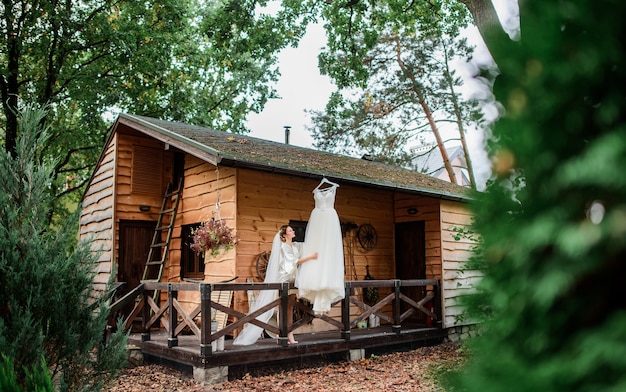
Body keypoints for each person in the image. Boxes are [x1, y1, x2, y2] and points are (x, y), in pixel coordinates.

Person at [233, 225, 317, 345]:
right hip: (284, 280)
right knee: (282, 308)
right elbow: (293, 262)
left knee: (290, 309)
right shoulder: (283, 248)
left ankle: (290, 334)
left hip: (293, 280)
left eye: (292, 230)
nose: (293, 231)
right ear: (284, 235)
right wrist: (311, 257)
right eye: (290, 230)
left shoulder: (294, 247)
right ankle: (280, 334)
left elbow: (302, 250)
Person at [296, 178, 345, 315]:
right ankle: (316, 280)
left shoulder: (333, 188)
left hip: (329, 218)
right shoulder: (316, 192)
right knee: (315, 246)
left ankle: (326, 281)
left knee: (328, 249)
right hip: (317, 218)